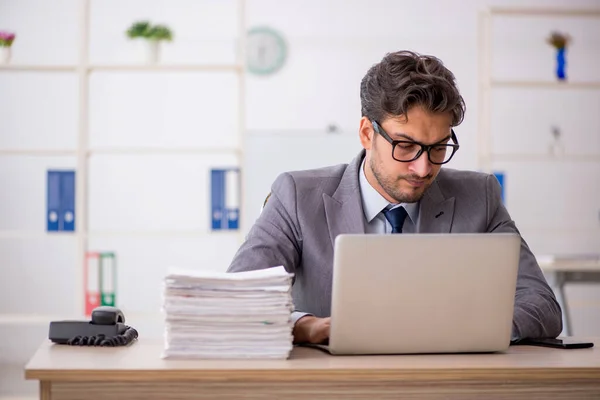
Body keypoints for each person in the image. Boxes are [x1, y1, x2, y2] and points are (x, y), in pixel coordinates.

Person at [227, 50, 562, 345]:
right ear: (366, 133)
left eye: (438, 148)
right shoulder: (298, 197)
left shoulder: (480, 197)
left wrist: (466, 329)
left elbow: (542, 305)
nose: (422, 167)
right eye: (405, 146)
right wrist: (303, 325)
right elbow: (237, 298)